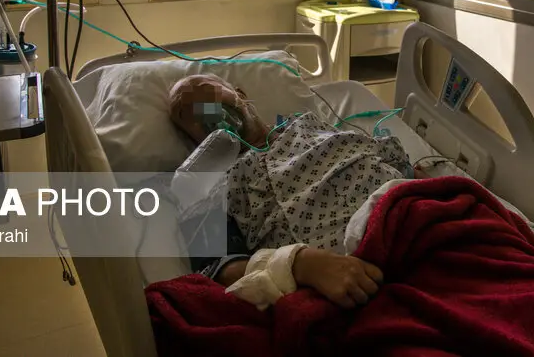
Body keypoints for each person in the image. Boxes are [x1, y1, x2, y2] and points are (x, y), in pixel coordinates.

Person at [167, 74, 412, 309]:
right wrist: (299, 264)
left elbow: (395, 160)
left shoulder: (310, 125)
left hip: (409, 216)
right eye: (186, 113)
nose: (203, 109)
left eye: (206, 92)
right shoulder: (208, 185)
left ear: (240, 94)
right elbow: (219, 270)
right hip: (354, 278)